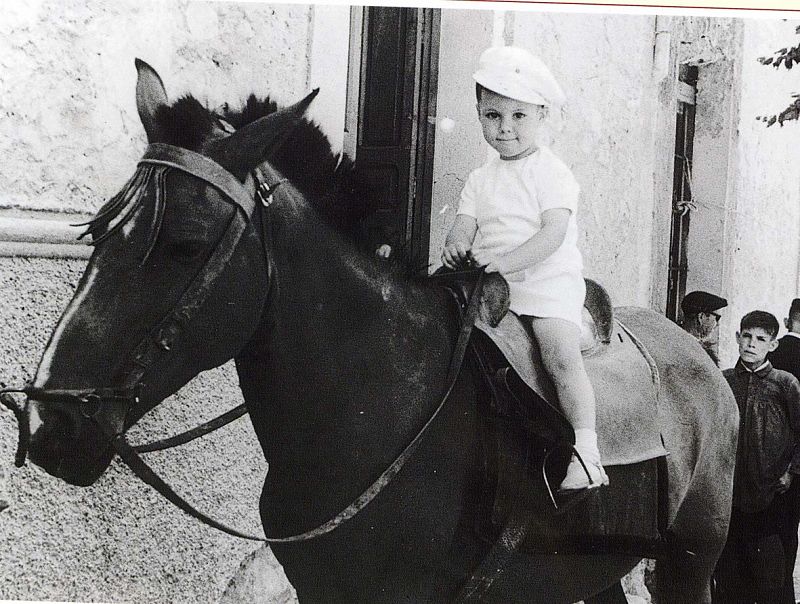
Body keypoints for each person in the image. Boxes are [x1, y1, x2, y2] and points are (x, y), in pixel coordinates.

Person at [440, 46, 607, 494]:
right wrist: (457, 247)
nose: (506, 128)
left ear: (541, 116)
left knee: (558, 353)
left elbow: (552, 235)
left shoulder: (551, 173)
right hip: (493, 289)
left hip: (546, 285)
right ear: (479, 115)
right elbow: (462, 228)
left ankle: (587, 453)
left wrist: (506, 261)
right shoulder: (480, 179)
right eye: (493, 115)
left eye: (519, 116)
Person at [713, 311, 800, 603]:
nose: (752, 344)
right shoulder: (722, 381)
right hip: (731, 491)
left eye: (761, 339)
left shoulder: (785, 384)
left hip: (772, 494)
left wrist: (790, 472)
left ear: (773, 345)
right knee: (728, 571)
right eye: (747, 337)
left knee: (769, 574)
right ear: (738, 339)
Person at [767, 297, 800, 604]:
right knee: (788, 534)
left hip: (766, 462)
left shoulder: (771, 356)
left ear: (789, 321)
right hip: (794, 466)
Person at [679, 290, 727, 366]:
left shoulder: (676, 341)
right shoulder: (694, 351)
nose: (717, 324)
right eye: (716, 318)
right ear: (701, 317)